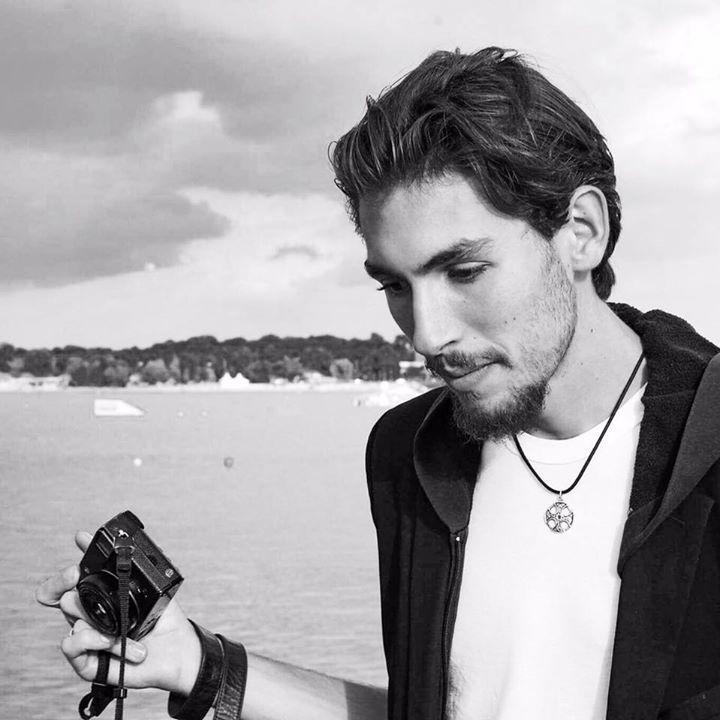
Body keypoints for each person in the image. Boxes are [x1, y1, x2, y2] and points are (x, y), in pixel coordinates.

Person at [36, 46, 720, 720]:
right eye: (395, 284)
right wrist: (196, 663)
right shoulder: (410, 453)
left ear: (582, 231)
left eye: (463, 272)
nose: (426, 334)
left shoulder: (710, 443)